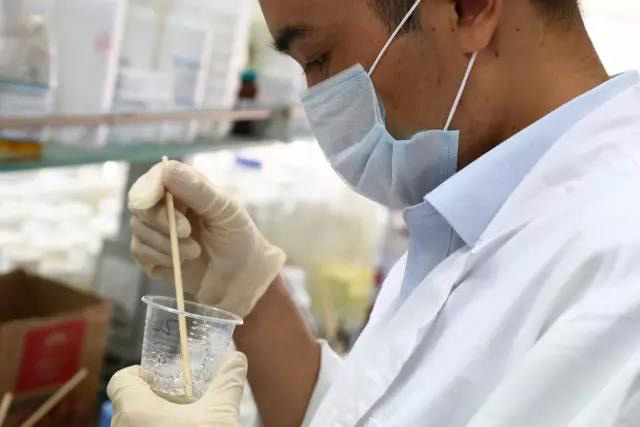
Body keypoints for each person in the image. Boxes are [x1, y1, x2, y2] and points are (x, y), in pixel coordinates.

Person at [107, 0, 640, 425]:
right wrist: (252, 293)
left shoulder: (620, 281)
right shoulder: (476, 203)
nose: (318, 103)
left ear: (468, 8)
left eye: (319, 57)